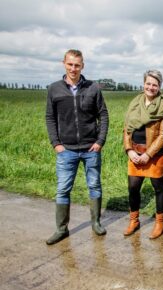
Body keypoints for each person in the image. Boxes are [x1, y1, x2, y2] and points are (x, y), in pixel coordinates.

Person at [45, 49, 109, 245]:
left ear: (83, 66)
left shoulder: (93, 88)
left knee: (94, 185)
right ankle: (61, 229)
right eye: (70, 64)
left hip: (91, 149)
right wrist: (56, 144)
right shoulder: (54, 89)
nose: (73, 68)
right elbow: (50, 118)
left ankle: (96, 223)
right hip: (66, 150)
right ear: (64, 63)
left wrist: (99, 142)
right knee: (63, 189)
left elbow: (104, 116)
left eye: (77, 65)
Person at [123, 70, 163, 239]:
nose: (151, 87)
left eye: (155, 84)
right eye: (148, 83)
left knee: (158, 188)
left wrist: (148, 154)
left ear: (159, 86)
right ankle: (134, 220)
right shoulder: (135, 103)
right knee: (133, 187)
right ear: (144, 84)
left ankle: (159, 223)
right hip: (135, 152)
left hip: (156, 155)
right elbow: (126, 128)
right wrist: (129, 150)